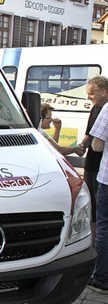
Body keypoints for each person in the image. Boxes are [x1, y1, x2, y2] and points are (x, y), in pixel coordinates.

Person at [81, 75, 108, 240]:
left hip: (102, 168)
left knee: (101, 213)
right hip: (92, 163)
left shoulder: (105, 109)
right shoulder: (96, 108)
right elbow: (89, 134)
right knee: (91, 202)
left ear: (104, 91)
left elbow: (97, 144)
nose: (88, 98)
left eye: (92, 94)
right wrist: (81, 147)